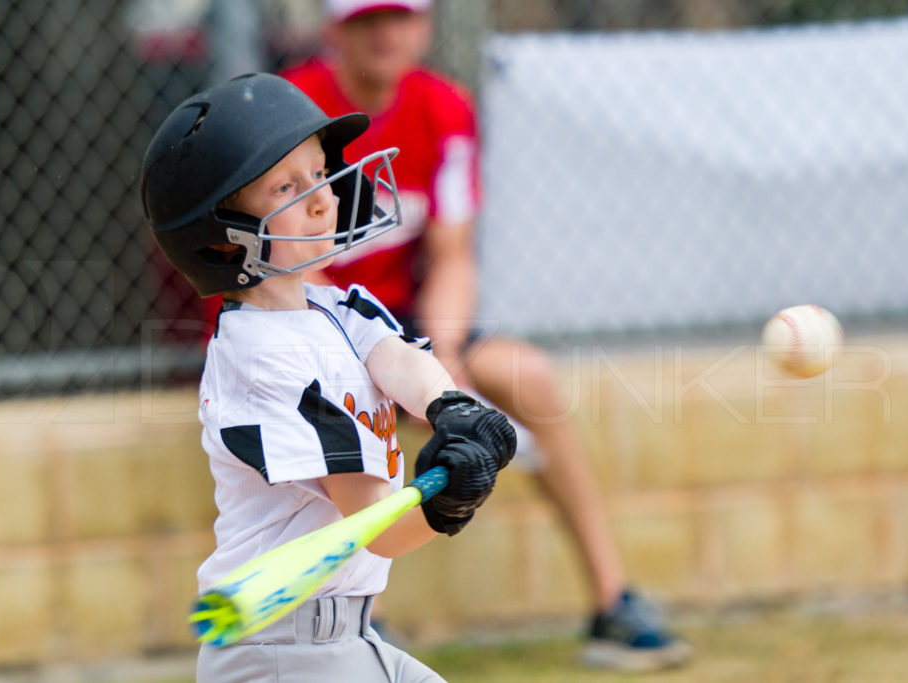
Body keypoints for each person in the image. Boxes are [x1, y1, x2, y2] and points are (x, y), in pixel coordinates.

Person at [277, 0, 694, 672]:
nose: (386, 34)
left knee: (526, 376)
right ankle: (354, 620)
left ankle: (612, 602)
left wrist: (445, 372)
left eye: (400, 16)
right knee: (346, 402)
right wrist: (405, 382)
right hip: (296, 313)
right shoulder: (294, 107)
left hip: (401, 317)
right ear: (335, 29)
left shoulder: (443, 108)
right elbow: (299, 268)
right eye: (366, 19)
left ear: (425, 25)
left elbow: (452, 255)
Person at [141, 72, 517, 682]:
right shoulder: (261, 356)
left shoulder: (336, 308)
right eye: (286, 187)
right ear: (221, 239)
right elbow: (378, 528)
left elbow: (395, 358)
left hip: (343, 638)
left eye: (319, 174)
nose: (321, 198)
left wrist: (449, 405)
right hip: (282, 652)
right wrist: (451, 500)